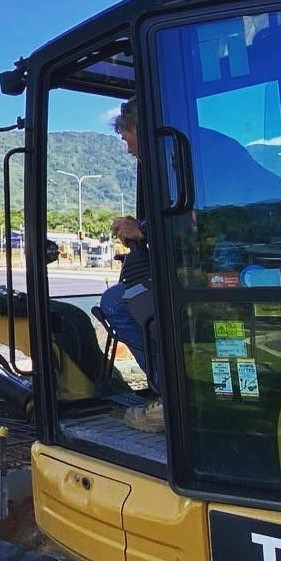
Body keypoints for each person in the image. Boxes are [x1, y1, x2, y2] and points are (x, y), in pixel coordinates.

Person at [98, 99, 162, 430]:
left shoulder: (175, 161)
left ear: (141, 127)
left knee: (116, 302)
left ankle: (169, 392)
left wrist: (142, 230)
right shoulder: (175, 158)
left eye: (127, 137)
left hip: (196, 273)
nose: (127, 147)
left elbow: (194, 218)